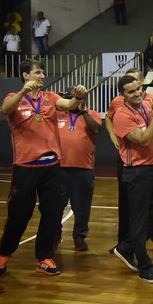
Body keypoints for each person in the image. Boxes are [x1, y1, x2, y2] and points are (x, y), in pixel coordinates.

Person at [0, 61, 87, 279]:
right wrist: (22, 92)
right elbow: (5, 110)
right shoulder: (13, 98)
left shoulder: (50, 97)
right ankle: (4, 254)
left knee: (52, 214)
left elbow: (68, 104)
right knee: (19, 214)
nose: (42, 75)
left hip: (51, 166)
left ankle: (44, 258)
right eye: (37, 72)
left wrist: (79, 97)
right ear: (25, 75)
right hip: (25, 167)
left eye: (43, 72)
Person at [111, 72, 153, 283]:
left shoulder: (148, 108)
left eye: (138, 89)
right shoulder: (122, 115)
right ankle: (145, 267)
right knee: (139, 221)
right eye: (131, 91)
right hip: (136, 172)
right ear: (123, 95)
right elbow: (145, 140)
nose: (137, 93)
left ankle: (127, 247)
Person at [57, 92, 101, 251]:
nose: (71, 102)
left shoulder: (92, 114)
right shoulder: (58, 115)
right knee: (55, 205)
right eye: (69, 99)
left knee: (82, 207)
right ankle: (55, 235)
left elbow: (96, 130)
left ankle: (80, 236)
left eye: (74, 98)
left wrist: (84, 112)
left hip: (83, 168)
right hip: (58, 168)